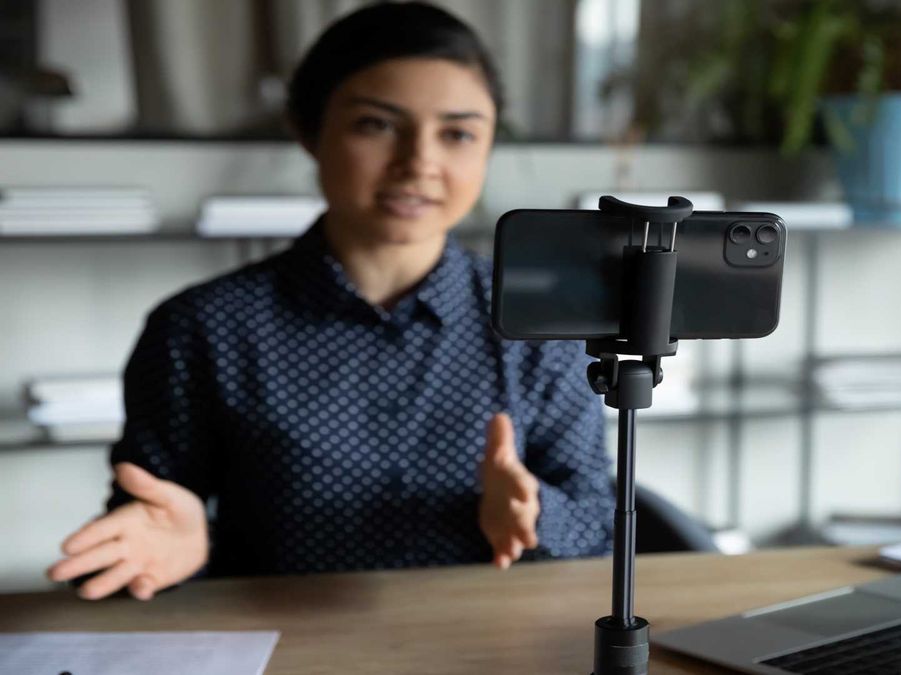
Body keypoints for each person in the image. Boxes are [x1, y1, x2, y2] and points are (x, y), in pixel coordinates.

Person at [45, 2, 614, 601]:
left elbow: (601, 528)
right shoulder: (201, 329)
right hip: (279, 647)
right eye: (377, 124)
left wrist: (535, 514)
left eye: (458, 133)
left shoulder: (540, 327)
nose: (419, 162)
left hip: (488, 647)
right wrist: (184, 554)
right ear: (308, 130)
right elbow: (137, 539)